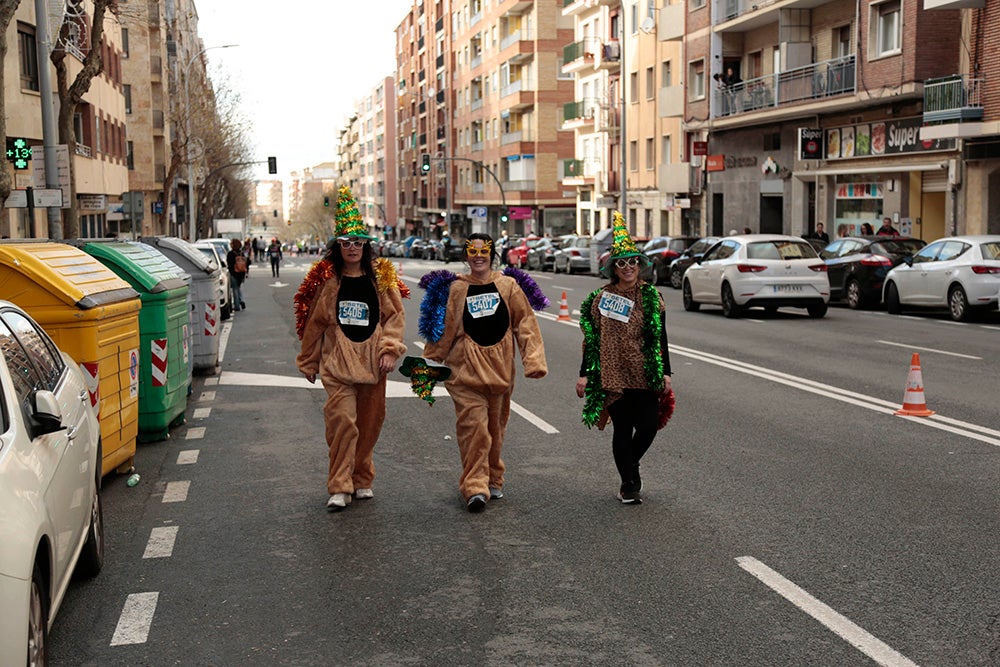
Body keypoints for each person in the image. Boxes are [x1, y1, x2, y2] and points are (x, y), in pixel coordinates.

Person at [418, 233, 548, 512]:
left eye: (484, 251)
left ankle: (493, 475)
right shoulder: (455, 289)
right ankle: (475, 485)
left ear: (492, 254)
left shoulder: (508, 286)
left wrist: (533, 360)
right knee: (474, 430)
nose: (478, 256)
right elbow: (441, 330)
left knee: (495, 430)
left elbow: (525, 323)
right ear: (465, 255)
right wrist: (429, 363)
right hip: (464, 373)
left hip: (500, 373)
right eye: (472, 251)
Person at [295, 186, 407, 512]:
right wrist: (309, 362)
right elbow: (314, 325)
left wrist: (389, 350)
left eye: (358, 242)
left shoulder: (380, 282)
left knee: (370, 425)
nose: (353, 248)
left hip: (374, 367)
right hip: (338, 366)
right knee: (342, 422)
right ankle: (340, 485)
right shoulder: (330, 286)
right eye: (346, 243)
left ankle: (361, 477)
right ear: (337, 248)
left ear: (366, 247)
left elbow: (394, 318)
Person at [576, 212, 672, 505]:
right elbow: (591, 340)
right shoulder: (599, 299)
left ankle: (631, 464)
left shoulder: (651, 297)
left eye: (632, 262)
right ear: (613, 269)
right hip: (612, 371)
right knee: (622, 428)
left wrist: (666, 371)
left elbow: (661, 336)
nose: (628, 268)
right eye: (621, 263)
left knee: (647, 426)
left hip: (643, 372)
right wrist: (585, 374)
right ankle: (628, 484)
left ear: (639, 266)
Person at [226, 238, 247, 311]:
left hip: (234, 273)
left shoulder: (230, 254)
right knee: (238, 287)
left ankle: (237, 305)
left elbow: (229, 264)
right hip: (241, 273)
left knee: (235, 289)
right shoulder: (241, 253)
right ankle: (242, 300)